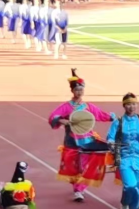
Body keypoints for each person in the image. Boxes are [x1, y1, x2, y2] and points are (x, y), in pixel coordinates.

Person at [48, 69, 115, 201]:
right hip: (72, 141)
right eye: (77, 90)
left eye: (81, 90)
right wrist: (62, 120)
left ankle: (79, 190)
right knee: (74, 167)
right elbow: (53, 117)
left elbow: (101, 115)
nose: (79, 92)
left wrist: (114, 118)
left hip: (87, 141)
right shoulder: (66, 107)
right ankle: (76, 185)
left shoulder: (88, 107)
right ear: (72, 91)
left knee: (85, 165)